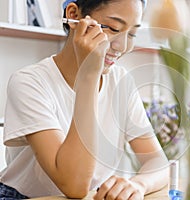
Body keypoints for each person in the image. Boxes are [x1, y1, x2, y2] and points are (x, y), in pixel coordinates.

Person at [0, 0, 169, 199]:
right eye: (113, 28)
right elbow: (74, 184)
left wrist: (138, 185)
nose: (122, 46)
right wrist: (89, 75)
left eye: (131, 34)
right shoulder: (29, 82)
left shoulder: (121, 82)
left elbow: (158, 161)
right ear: (73, 15)